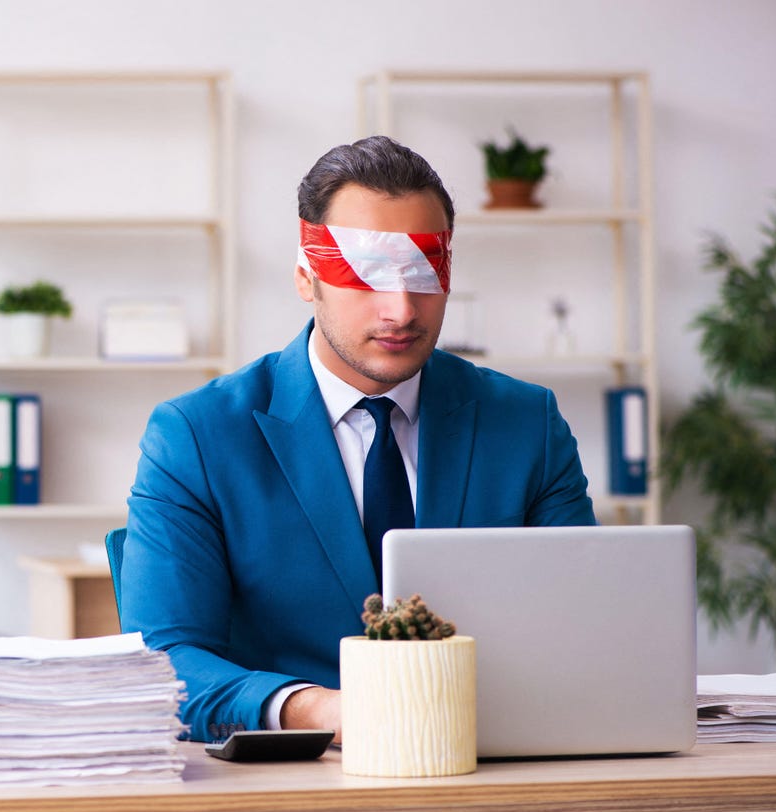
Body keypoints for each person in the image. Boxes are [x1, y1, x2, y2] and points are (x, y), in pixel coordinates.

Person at [120, 136, 597, 743]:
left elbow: (585, 624)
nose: (400, 309)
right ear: (305, 277)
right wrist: (318, 711)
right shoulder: (197, 436)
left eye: (425, 272)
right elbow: (164, 657)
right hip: (288, 791)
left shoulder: (527, 424)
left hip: (491, 761)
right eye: (366, 275)